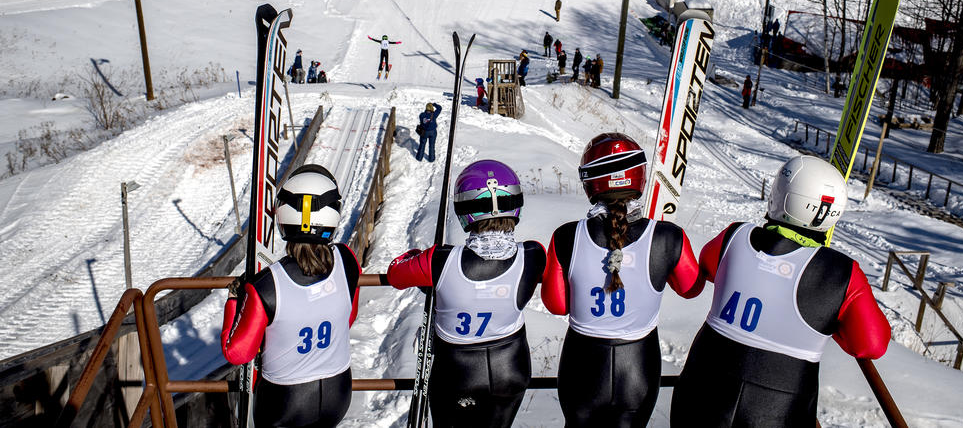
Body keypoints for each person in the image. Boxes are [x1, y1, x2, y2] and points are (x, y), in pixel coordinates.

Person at [671, 156, 891, 427]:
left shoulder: (735, 236)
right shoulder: (843, 273)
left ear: (781, 195)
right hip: (780, 410)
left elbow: (708, 266)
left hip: (701, 394)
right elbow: (871, 344)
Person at [541, 133, 703, 427]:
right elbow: (692, 288)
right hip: (638, 366)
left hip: (583, 364)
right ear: (637, 176)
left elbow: (556, 304)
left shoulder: (566, 236)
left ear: (591, 182)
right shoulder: (668, 237)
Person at [387, 160, 546, 428]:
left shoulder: (440, 260)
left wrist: (418, 257)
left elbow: (396, 274)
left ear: (464, 210)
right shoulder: (533, 254)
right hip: (511, 368)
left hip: (456, 373)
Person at [221, 165, 360, 428]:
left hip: (285, 403)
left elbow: (237, 352)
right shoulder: (347, 261)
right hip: (337, 394)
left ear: (283, 216)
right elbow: (348, 316)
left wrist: (233, 300)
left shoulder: (266, 285)